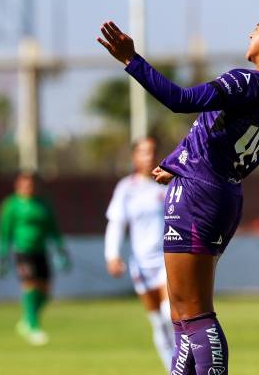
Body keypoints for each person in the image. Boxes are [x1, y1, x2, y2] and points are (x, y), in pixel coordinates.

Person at [97, 11, 259, 375]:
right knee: (181, 312)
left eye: (256, 28)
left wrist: (132, 60)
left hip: (197, 195)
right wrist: (179, 160)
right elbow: (222, 136)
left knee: (193, 312)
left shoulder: (246, 82)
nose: (250, 32)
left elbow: (181, 100)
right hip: (222, 193)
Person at [105, 137, 175, 371]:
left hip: (169, 259)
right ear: (134, 157)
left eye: (152, 152)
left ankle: (184, 366)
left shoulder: (168, 182)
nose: (148, 157)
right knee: (158, 324)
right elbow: (116, 223)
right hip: (142, 265)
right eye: (143, 153)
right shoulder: (126, 188)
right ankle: (173, 369)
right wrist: (112, 255)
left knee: (170, 315)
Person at [0, 171, 71, 346]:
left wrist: (61, 251)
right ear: (18, 185)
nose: (27, 187)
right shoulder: (12, 205)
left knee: (45, 291)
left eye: (31, 184)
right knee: (30, 285)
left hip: (41, 251)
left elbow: (53, 229)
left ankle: (26, 319)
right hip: (22, 251)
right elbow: (5, 232)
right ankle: (33, 327)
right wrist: (2, 255)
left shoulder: (42, 205)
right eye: (24, 184)